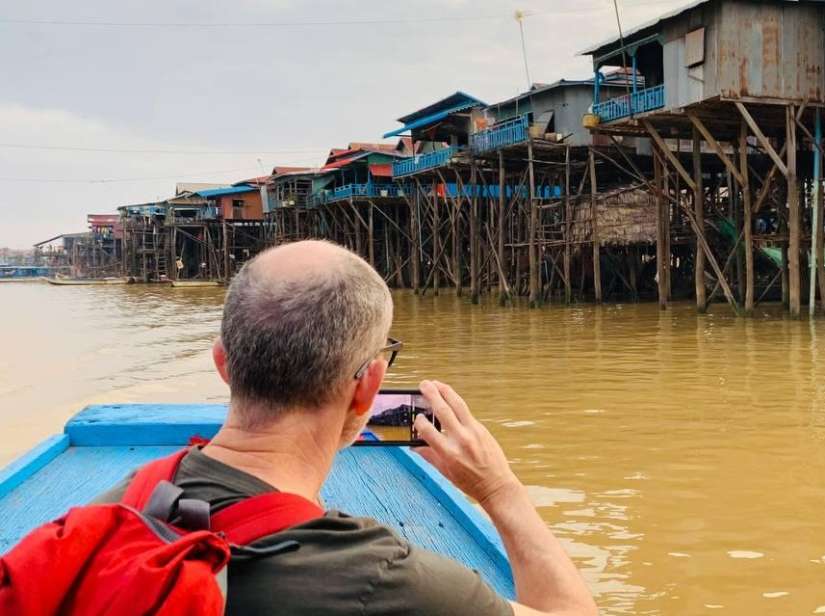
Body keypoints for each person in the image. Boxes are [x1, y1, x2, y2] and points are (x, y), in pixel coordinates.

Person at [95, 240, 596, 616]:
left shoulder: (115, 509)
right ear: (369, 386)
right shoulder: (389, 582)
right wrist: (499, 489)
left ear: (223, 364)